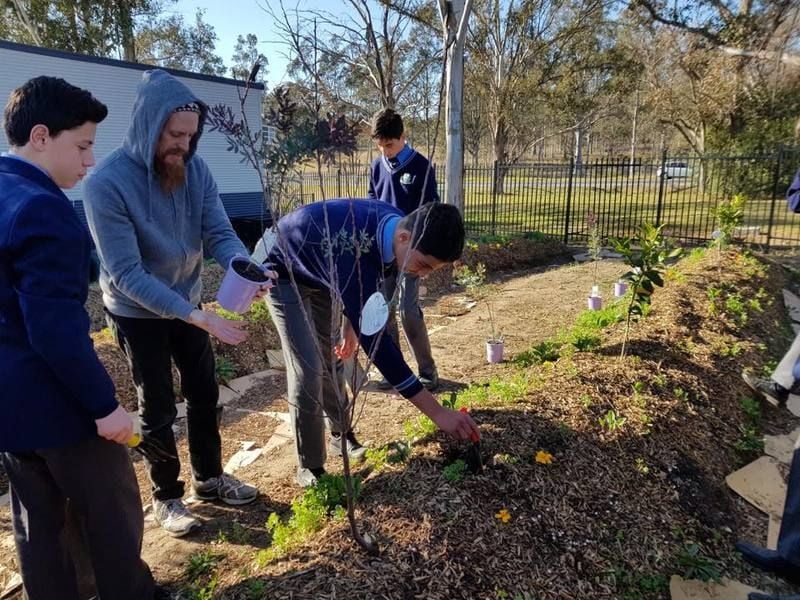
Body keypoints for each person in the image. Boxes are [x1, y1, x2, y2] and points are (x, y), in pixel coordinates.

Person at [83, 69, 266, 538]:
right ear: (149, 124)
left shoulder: (196, 169)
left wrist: (243, 268)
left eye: (190, 135)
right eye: (174, 133)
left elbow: (220, 233)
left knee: (205, 394)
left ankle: (209, 478)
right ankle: (167, 496)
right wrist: (197, 315)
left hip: (187, 300)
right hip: (135, 310)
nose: (183, 144)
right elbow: (126, 274)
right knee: (158, 405)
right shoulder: (106, 183)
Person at [0, 76, 156, 599]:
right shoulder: (43, 210)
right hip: (61, 405)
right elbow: (55, 328)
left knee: (38, 525)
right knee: (110, 513)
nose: (90, 163)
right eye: (83, 145)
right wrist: (104, 407)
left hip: (10, 410)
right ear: (41, 136)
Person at [265, 199, 480, 487]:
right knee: (308, 367)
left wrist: (352, 325)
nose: (424, 274)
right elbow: (379, 347)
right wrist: (438, 413)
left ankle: (341, 434)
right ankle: (311, 467)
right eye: (423, 265)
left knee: (329, 361)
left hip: (322, 272)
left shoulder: (397, 229)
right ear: (404, 238)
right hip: (284, 271)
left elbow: (370, 287)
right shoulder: (354, 250)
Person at [367, 108, 441, 391]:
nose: (385, 151)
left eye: (390, 144)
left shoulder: (421, 166)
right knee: (383, 311)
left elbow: (430, 209)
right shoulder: (377, 167)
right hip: (382, 252)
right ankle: (394, 370)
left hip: (410, 253)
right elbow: (372, 202)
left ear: (402, 137)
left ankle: (427, 371)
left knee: (408, 311)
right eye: (380, 145)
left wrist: (420, 247)